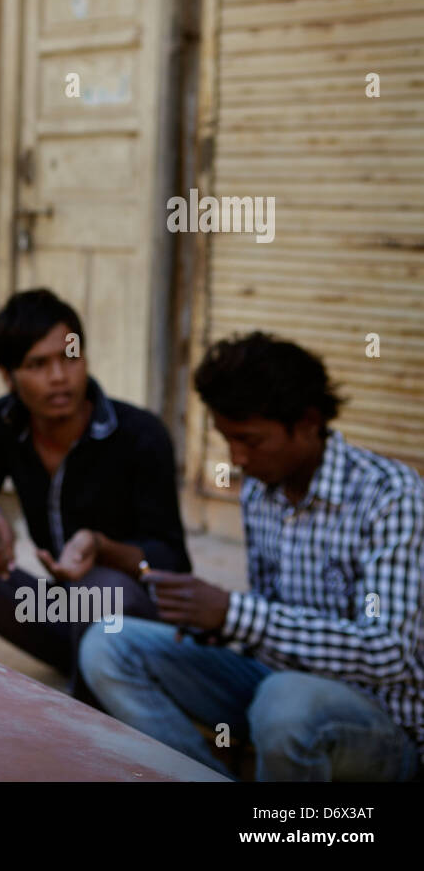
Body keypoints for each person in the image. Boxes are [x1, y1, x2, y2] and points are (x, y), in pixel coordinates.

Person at [80, 333, 424, 780]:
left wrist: (235, 614)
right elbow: (273, 614)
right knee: (108, 643)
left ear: (307, 422)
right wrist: (218, 629)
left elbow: (389, 651)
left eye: (250, 441)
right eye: (227, 440)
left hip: (379, 728)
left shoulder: (391, 497)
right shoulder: (260, 491)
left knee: (287, 701)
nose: (236, 458)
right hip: (272, 689)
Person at [0, 289, 189, 698]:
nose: (58, 376)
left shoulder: (140, 435)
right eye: (38, 364)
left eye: (69, 358)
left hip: (132, 629)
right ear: (7, 374)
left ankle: (82, 730)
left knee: (99, 589)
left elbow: (171, 560)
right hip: (60, 615)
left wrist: (101, 547)